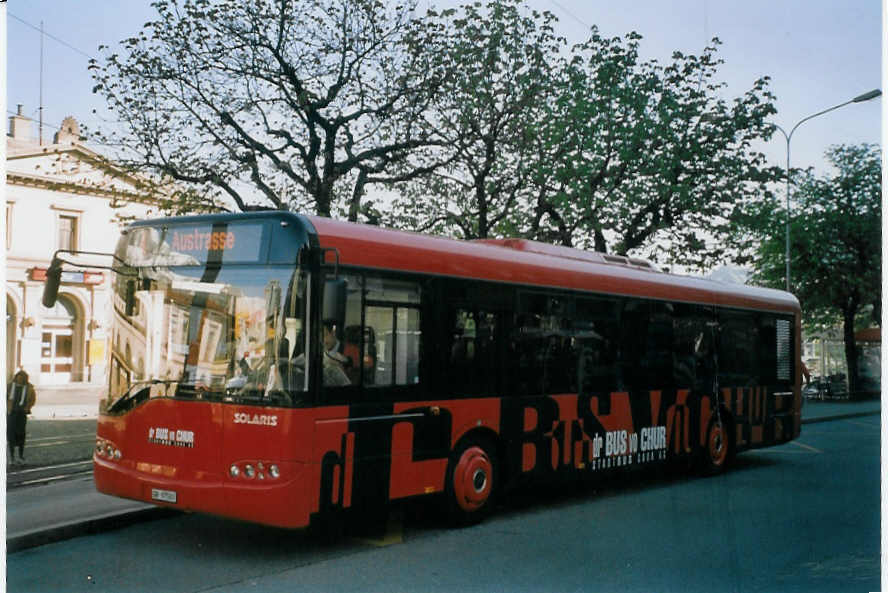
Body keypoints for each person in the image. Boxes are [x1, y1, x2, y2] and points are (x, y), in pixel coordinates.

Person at [7, 370, 36, 466]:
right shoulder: (10, 386)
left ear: (25, 379)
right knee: (11, 436)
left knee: (21, 435)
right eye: (18, 377)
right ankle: (12, 458)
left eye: (22, 378)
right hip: (11, 414)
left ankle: (20, 456)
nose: (20, 379)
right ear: (16, 377)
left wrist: (27, 408)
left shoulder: (29, 388)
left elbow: (32, 399)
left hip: (21, 415)